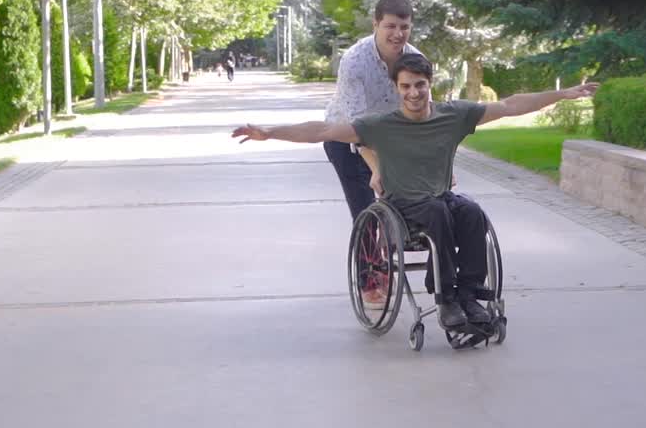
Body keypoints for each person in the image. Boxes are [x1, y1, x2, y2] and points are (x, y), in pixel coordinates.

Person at [232, 53, 598, 332]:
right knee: (437, 212)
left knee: (471, 212)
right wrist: (269, 131)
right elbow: (322, 131)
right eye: (405, 86)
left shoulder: (453, 116)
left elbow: (510, 105)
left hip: (439, 197)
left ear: (429, 85)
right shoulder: (380, 126)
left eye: (419, 85)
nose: (413, 93)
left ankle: (469, 293)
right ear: (397, 88)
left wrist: (564, 94)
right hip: (401, 207)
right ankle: (445, 298)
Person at [322, 0, 424, 221]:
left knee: (410, 202)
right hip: (345, 138)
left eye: (404, 27)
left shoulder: (416, 59)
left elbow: (423, 114)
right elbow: (357, 126)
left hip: (388, 137)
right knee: (366, 212)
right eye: (390, 26)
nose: (398, 34)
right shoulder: (354, 61)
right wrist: (376, 168)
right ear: (375, 24)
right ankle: (370, 253)